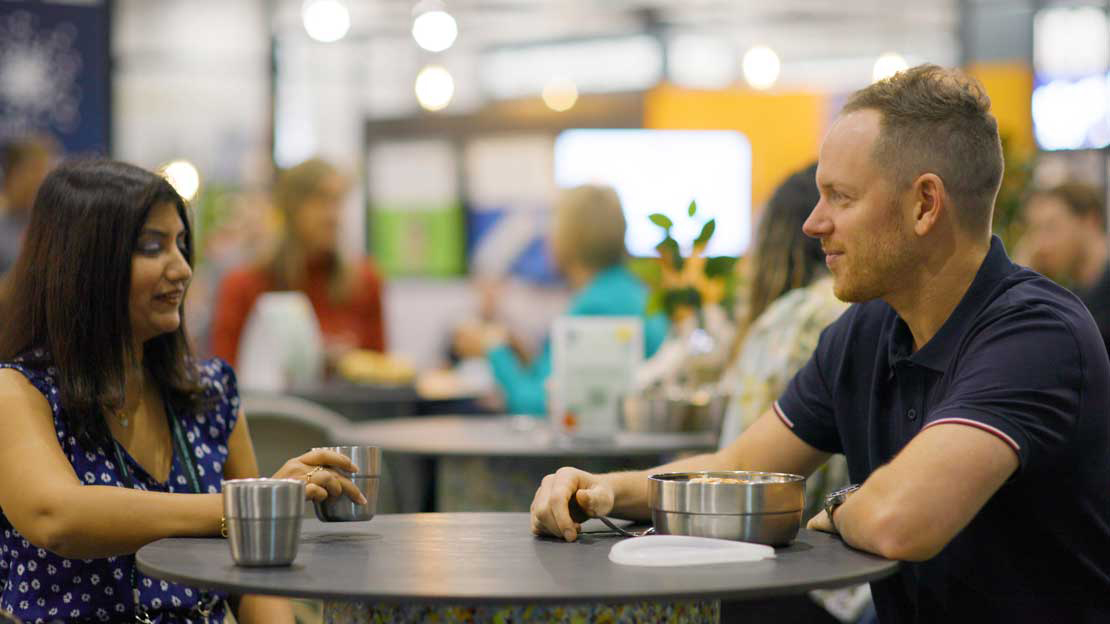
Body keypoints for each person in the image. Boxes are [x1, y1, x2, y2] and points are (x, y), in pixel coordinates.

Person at [530, 64, 1110, 623]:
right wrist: (605, 489)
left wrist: (836, 507)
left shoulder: (1037, 333)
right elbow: (737, 470)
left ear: (925, 205)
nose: (813, 223)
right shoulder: (864, 331)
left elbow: (898, 520)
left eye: (841, 197)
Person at [0, 159, 368, 623]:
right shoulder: (17, 391)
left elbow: (257, 578)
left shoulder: (210, 393)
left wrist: (258, 513)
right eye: (152, 248)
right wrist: (247, 505)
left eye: (181, 245)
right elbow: (58, 517)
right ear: (85, 261)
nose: (181, 269)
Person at [454, 184, 667, 415]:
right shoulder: (633, 292)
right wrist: (516, 352)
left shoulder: (595, 308)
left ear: (569, 237)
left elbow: (535, 404)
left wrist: (492, 348)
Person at [210, 158, 386, 368]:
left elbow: (379, 371)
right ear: (292, 207)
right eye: (321, 200)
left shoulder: (363, 281)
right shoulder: (244, 285)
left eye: (338, 201)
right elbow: (226, 375)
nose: (333, 216)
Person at [1021, 181, 1110, 355]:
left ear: (1090, 222)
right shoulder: (1073, 298)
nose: (1040, 246)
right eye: (1035, 231)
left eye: (1050, 227)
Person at [0, 135, 57, 275]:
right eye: (33, 171)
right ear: (11, 174)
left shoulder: (53, 225)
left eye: (44, 171)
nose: (39, 180)